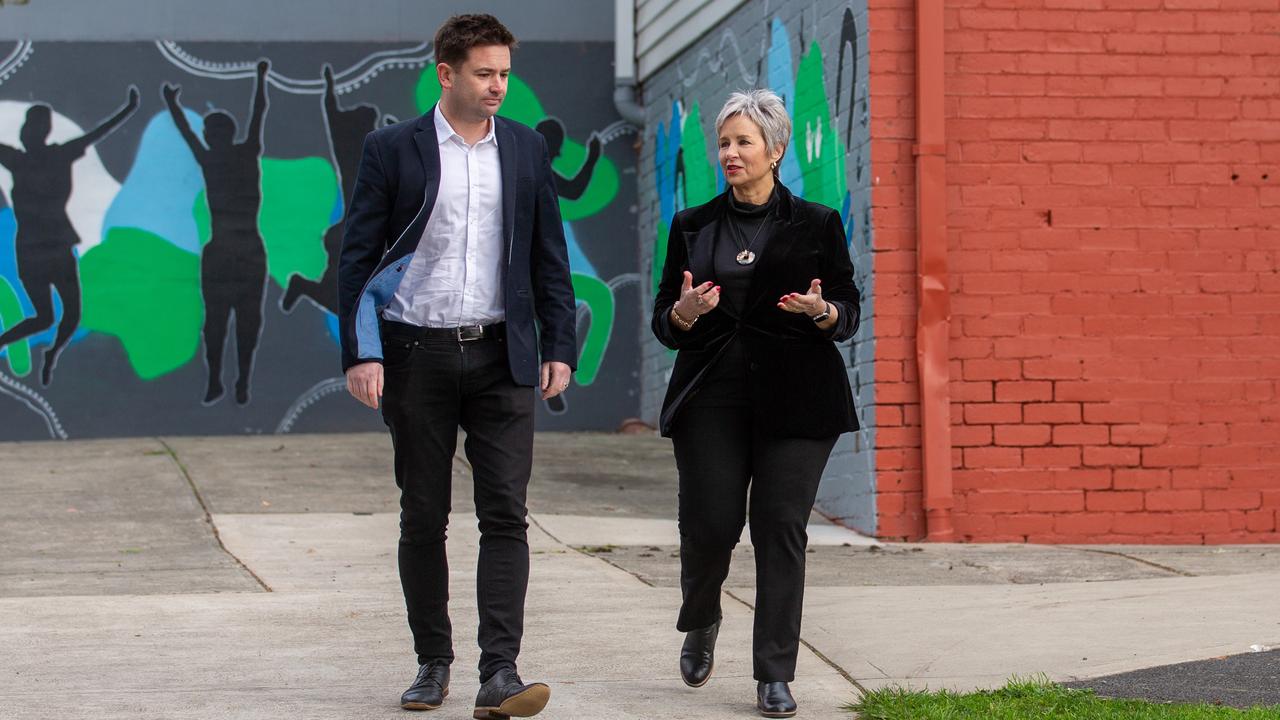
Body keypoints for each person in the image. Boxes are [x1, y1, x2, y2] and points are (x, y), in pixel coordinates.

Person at [337, 14, 576, 718]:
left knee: (506, 511)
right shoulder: (392, 150)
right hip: (416, 353)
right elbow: (357, 257)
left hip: (503, 353)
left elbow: (547, 256)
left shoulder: (527, 150)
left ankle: (499, 671)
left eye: (505, 72)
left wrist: (559, 344)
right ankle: (432, 661)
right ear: (446, 73)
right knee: (424, 514)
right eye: (484, 72)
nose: (498, 85)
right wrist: (362, 351)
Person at [650, 89, 861, 719]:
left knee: (779, 529)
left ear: (776, 149)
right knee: (711, 525)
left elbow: (848, 309)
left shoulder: (819, 223)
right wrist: (683, 314)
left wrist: (822, 311)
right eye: (724, 142)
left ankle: (774, 672)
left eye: (743, 141)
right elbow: (665, 317)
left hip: (798, 398)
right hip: (711, 395)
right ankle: (702, 616)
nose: (730, 153)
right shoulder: (692, 225)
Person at [0, 88, 140, 385]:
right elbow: (97, 134)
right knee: (57, 317)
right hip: (44, 249)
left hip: (46, 249)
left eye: (34, 127)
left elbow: (97, 134)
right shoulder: (41, 157)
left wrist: (129, 109)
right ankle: (43, 354)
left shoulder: (29, 159)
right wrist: (128, 109)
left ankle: (50, 356)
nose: (29, 133)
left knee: (58, 316)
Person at [163, 60, 270, 406]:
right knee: (244, 321)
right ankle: (238, 380)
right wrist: (260, 77)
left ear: (213, 135)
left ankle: (217, 380)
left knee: (217, 320)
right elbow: (258, 115)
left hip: (222, 249)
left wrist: (173, 104)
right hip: (248, 248)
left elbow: (186, 132)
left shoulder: (211, 159)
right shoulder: (246, 153)